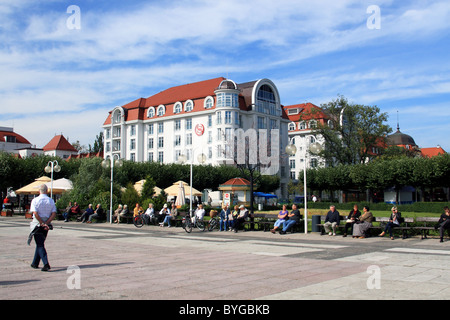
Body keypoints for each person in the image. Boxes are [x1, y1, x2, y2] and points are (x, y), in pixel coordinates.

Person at [29, 184, 56, 272]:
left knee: (40, 244)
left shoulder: (35, 200)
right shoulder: (51, 201)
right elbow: (53, 213)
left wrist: (41, 223)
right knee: (40, 242)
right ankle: (35, 263)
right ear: (47, 191)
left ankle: (46, 264)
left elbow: (35, 213)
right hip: (46, 224)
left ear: (39, 191)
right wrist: (47, 223)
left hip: (37, 223)